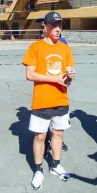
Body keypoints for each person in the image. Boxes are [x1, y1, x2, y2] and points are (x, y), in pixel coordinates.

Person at [23, 11, 75, 190]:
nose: (57, 29)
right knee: (40, 136)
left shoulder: (65, 48)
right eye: (53, 26)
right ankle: (38, 170)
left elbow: (68, 73)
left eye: (59, 25)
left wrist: (70, 76)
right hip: (42, 99)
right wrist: (55, 79)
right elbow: (30, 74)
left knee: (58, 133)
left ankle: (56, 165)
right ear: (45, 27)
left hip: (61, 98)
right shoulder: (36, 47)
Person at [35, 16, 69, 156]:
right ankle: (45, 143)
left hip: (59, 88)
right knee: (44, 125)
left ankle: (58, 143)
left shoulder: (63, 43)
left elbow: (65, 63)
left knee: (58, 126)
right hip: (45, 89)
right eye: (42, 25)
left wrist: (68, 75)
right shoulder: (39, 44)